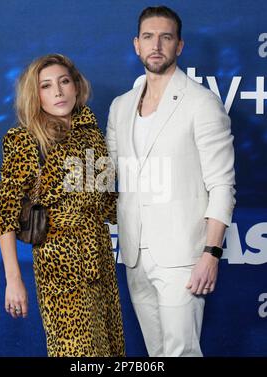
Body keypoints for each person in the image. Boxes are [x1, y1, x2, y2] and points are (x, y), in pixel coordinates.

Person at [106, 6, 235, 357]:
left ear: (179, 46)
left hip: (183, 255)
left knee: (181, 351)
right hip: (134, 251)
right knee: (156, 353)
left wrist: (210, 252)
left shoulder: (202, 103)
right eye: (148, 37)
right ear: (136, 45)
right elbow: (109, 175)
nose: (156, 45)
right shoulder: (120, 106)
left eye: (166, 37)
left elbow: (222, 185)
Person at [0, 54, 125, 357]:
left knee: (111, 351)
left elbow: (106, 203)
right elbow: (5, 215)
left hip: (100, 256)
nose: (58, 92)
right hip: (59, 261)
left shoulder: (92, 134)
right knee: (77, 353)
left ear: (77, 86)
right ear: (34, 95)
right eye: (46, 86)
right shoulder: (24, 139)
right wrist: (13, 280)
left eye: (64, 82)